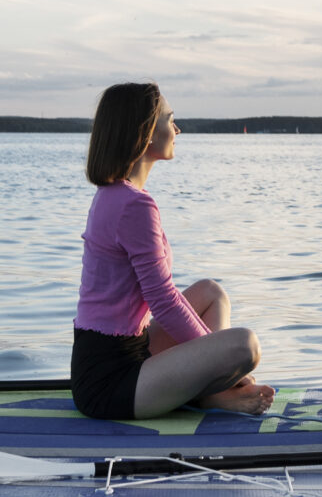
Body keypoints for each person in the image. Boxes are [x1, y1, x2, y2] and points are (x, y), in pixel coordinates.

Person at [72, 82, 273, 420]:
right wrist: (225, 367)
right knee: (245, 347)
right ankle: (214, 394)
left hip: (122, 354)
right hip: (112, 383)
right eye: (170, 119)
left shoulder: (115, 195)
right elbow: (163, 299)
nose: (177, 129)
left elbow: (161, 300)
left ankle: (210, 394)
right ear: (146, 132)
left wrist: (213, 360)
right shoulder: (133, 205)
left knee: (211, 293)